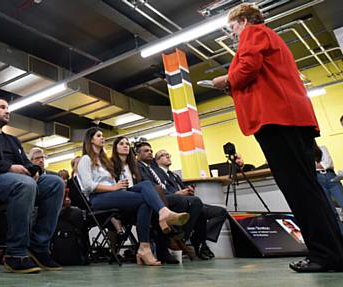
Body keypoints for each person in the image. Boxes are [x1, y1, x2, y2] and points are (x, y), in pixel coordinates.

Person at [212, 3, 343, 272]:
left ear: (244, 21)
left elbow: (247, 67)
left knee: (299, 190)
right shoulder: (269, 37)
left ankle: (323, 255)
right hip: (292, 119)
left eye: (233, 27)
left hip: (277, 119)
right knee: (309, 189)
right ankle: (333, 251)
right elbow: (257, 73)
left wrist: (225, 80)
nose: (233, 33)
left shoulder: (254, 32)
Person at [0, 97, 64, 274]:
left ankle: (39, 246)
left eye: (8, 108)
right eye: (2, 107)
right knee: (24, 183)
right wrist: (9, 167)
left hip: (18, 183)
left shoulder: (13, 140)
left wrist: (34, 170)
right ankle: (16, 254)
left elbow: (25, 162)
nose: (7, 111)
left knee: (56, 183)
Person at [77, 127, 189, 266]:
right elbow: (87, 186)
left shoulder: (104, 162)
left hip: (115, 194)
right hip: (98, 199)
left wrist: (117, 186)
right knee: (146, 199)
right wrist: (114, 187)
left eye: (102, 135)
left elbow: (114, 183)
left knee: (146, 188)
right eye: (99, 135)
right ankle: (162, 215)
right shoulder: (85, 159)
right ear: (91, 140)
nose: (102, 138)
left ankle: (145, 248)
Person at [154, 149, 228, 260]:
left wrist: (188, 191)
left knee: (221, 212)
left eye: (168, 154)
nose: (167, 157)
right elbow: (160, 192)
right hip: (173, 204)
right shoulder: (156, 174)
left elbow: (183, 189)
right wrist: (178, 193)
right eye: (162, 155)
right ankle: (192, 239)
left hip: (189, 203)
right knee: (199, 209)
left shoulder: (174, 175)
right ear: (156, 161)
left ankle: (197, 238)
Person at [135, 141, 201, 263]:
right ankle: (176, 238)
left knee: (198, 205)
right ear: (137, 154)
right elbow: (148, 185)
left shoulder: (151, 169)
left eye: (150, 151)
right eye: (146, 151)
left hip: (161, 197)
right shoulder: (138, 166)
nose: (149, 152)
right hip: (152, 197)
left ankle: (178, 236)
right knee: (180, 201)